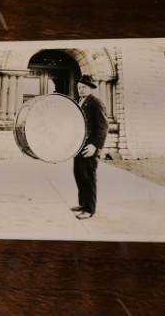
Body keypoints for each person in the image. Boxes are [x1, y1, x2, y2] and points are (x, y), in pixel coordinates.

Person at [71, 75, 108, 220]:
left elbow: (103, 127)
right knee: (79, 175)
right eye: (79, 87)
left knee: (88, 178)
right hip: (77, 147)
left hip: (89, 147)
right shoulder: (76, 102)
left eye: (84, 87)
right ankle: (83, 204)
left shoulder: (96, 103)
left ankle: (89, 209)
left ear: (91, 88)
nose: (81, 90)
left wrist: (95, 145)